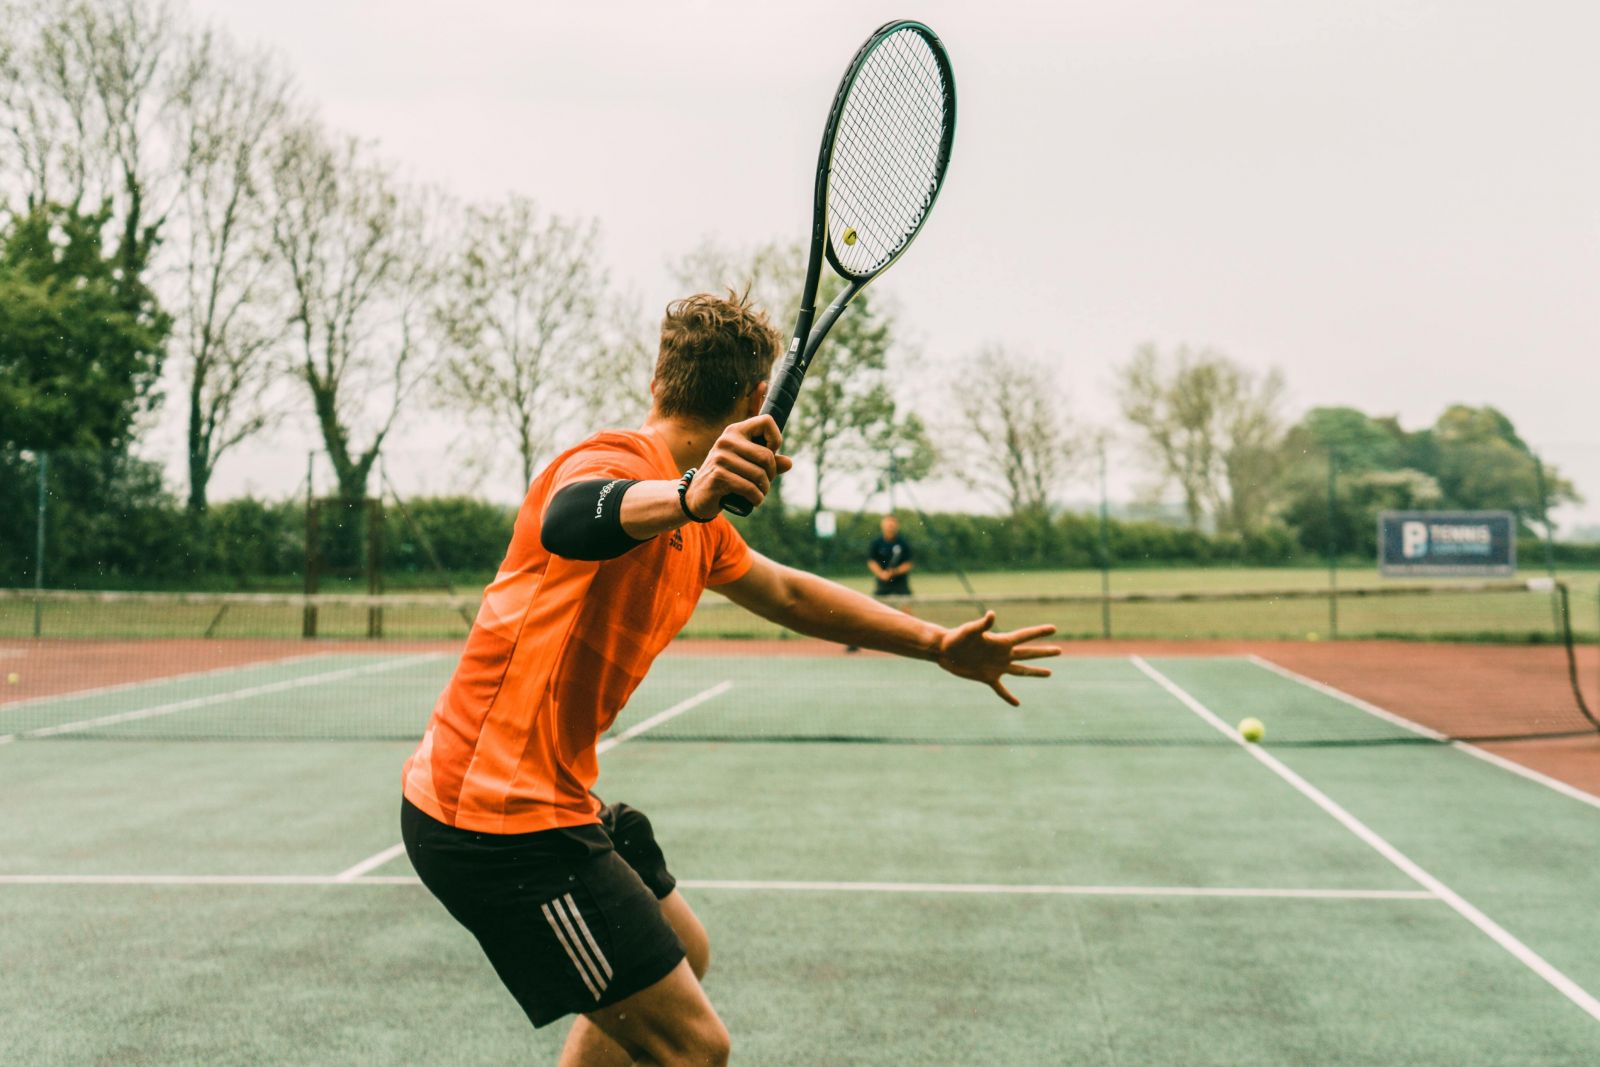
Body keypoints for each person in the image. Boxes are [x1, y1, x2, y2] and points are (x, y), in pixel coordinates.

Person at [400, 290, 1059, 1067]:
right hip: (492, 824)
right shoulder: (612, 464)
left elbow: (788, 592)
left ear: (658, 380)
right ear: (756, 398)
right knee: (695, 1048)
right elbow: (573, 516)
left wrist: (937, 641)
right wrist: (686, 494)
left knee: (687, 949)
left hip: (547, 798)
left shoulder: (700, 528)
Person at [868, 513, 913, 596]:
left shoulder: (903, 542)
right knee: (877, 606)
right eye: (887, 522)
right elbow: (872, 562)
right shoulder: (876, 543)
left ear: (897, 525)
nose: (890, 525)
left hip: (900, 582)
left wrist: (894, 572)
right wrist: (881, 574)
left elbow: (908, 564)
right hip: (882, 582)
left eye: (893, 522)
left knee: (906, 606)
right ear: (882, 525)